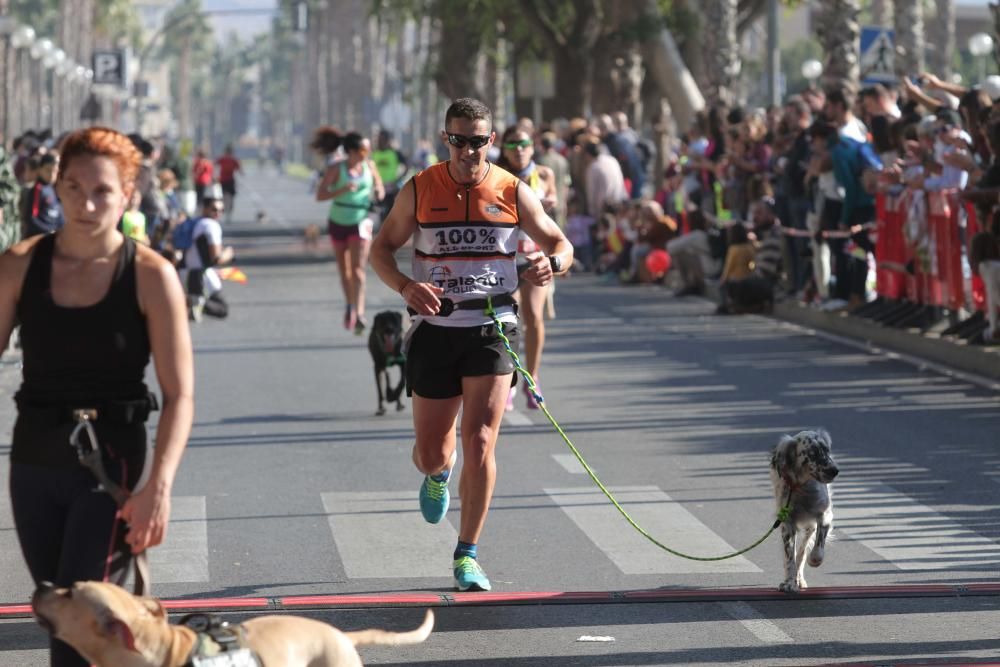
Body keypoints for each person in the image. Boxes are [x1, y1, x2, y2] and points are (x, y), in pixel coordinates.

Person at [0, 127, 193, 667]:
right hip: (35, 457)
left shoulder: (152, 275)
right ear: (55, 188)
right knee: (60, 619)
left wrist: (159, 485)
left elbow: (179, 395)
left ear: (128, 193)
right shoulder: (19, 265)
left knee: (82, 631)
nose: (87, 204)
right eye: (73, 187)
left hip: (113, 466)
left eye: (103, 190)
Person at [370, 98, 573, 592]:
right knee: (433, 452)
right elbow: (379, 249)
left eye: (478, 141)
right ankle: (438, 475)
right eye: (459, 140)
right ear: (447, 140)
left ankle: (467, 553)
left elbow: (560, 242)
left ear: (490, 141)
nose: (468, 150)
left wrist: (555, 264)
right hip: (435, 330)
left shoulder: (511, 189)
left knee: (480, 439)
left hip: (491, 327)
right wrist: (404, 286)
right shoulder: (419, 188)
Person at [495, 125, 559, 410]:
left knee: (534, 317)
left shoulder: (545, 174)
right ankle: (506, 379)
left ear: (532, 146)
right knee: (506, 320)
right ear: (503, 148)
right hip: (504, 257)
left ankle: (532, 378)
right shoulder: (495, 176)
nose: (518, 149)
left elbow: (556, 213)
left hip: (534, 255)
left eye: (523, 144)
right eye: (512, 144)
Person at [315, 129, 385, 334]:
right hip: (338, 221)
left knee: (358, 270)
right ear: (352, 152)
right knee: (344, 270)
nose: (368, 152)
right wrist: (342, 190)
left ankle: (360, 311)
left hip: (361, 221)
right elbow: (320, 195)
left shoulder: (369, 166)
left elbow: (379, 185)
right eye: (364, 149)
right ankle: (350, 306)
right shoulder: (336, 168)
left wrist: (379, 192)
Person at [179, 193, 235, 321]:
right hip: (200, 275)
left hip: (185, 272)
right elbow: (216, 258)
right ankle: (194, 304)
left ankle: (192, 303)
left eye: (221, 210)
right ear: (204, 208)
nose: (218, 213)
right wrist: (229, 254)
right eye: (214, 209)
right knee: (222, 309)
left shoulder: (195, 222)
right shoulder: (211, 226)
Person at [20, 152, 64, 239]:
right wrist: (49, 231)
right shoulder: (38, 189)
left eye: (55, 171)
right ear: (40, 169)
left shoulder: (54, 189)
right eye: (48, 170)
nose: (51, 175)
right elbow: (32, 218)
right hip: (37, 240)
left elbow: (59, 216)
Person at [214, 144, 241, 224]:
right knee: (229, 197)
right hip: (228, 180)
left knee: (227, 196)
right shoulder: (230, 159)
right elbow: (239, 169)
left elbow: (214, 165)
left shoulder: (227, 159)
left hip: (226, 180)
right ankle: (228, 211)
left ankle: (226, 210)